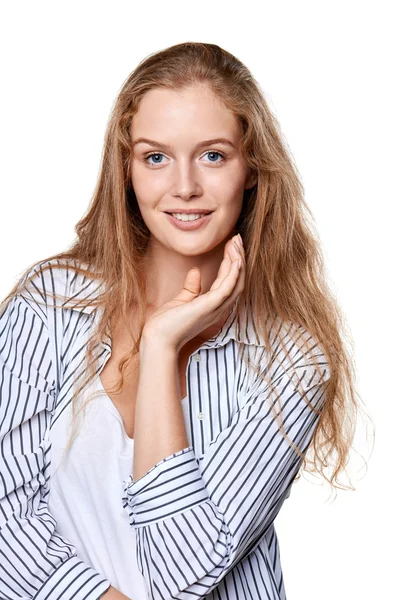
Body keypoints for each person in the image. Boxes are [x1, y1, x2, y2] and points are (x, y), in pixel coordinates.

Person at [0, 42, 369, 600]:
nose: (185, 186)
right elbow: (6, 516)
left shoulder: (290, 359)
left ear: (251, 168)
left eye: (213, 155)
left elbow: (182, 570)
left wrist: (159, 346)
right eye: (156, 157)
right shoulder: (50, 303)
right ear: (126, 169)